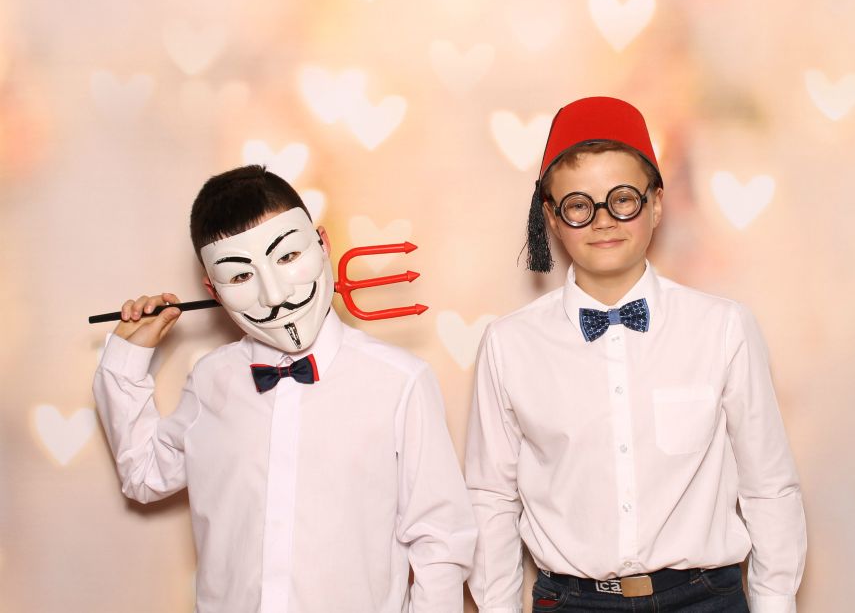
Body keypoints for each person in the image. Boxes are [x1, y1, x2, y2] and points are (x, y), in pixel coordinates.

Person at [465, 97, 806, 613]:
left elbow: (769, 486)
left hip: (706, 600)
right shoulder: (509, 344)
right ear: (552, 217)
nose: (603, 221)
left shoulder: (722, 328)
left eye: (622, 199)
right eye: (579, 205)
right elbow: (491, 497)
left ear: (656, 204)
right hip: (572, 602)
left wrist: (775, 602)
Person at [93, 165, 476, 612]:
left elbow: (440, 541)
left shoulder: (400, 381)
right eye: (240, 277)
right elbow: (144, 475)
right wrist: (126, 357)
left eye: (288, 256)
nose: (275, 295)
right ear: (213, 291)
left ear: (323, 243)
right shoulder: (210, 380)